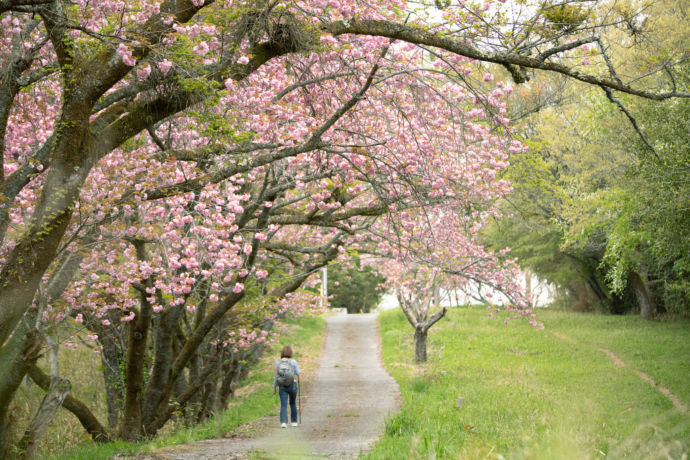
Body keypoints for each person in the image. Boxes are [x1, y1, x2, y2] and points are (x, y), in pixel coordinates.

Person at [273, 345, 300, 427]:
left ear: (282, 353)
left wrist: (274, 387)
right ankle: (294, 422)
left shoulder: (278, 362)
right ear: (290, 353)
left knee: (283, 404)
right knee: (292, 403)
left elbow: (276, 376)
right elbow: (298, 373)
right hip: (292, 385)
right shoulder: (293, 362)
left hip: (282, 385)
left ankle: (283, 422)